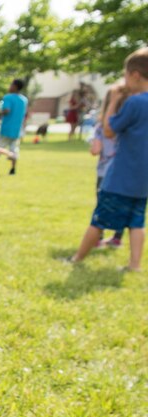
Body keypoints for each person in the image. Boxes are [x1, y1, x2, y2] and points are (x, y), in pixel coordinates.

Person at [68, 48, 148, 272]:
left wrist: (113, 100)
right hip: (143, 180)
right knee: (137, 221)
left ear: (134, 75)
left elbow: (110, 130)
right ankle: (134, 264)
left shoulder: (135, 102)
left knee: (99, 218)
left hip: (122, 174)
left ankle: (77, 258)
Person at [89, 81, 131, 248]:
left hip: (105, 173)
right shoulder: (130, 126)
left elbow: (95, 150)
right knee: (123, 206)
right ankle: (117, 238)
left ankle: (98, 238)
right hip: (126, 174)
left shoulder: (101, 127)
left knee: (102, 205)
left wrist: (94, 143)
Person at [0, 78, 28, 175]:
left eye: (11, 84)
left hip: (6, 128)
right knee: (14, 149)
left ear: (15, 86)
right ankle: (13, 169)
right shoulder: (24, 100)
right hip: (17, 129)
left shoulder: (8, 97)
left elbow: (7, 110)